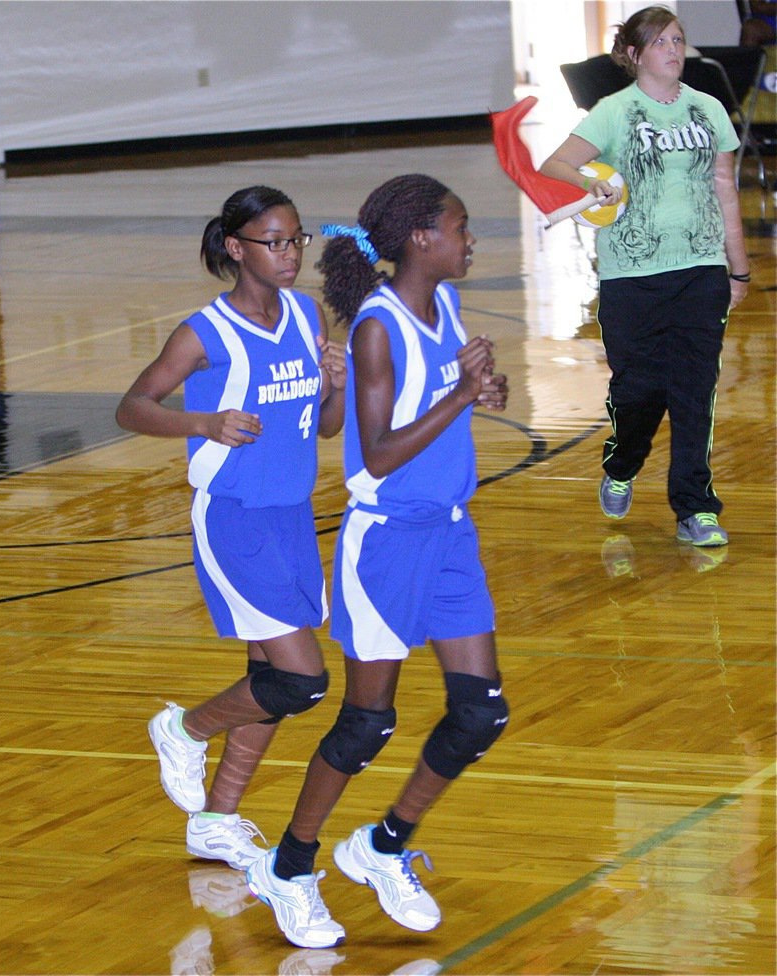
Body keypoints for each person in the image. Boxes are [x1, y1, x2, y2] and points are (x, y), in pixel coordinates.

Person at [246, 174, 510, 948]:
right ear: (422, 237)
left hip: (449, 534)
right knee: (367, 724)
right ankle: (290, 867)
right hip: (385, 542)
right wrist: (462, 395)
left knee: (480, 713)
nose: (471, 240)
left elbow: (446, 403)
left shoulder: (446, 307)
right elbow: (378, 458)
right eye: (462, 227)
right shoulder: (375, 330)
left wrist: (482, 390)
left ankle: (384, 846)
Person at [115, 186, 346, 932]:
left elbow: (328, 428)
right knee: (303, 681)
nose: (289, 254)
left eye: (297, 241)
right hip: (234, 520)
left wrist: (336, 384)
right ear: (237, 247)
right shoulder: (205, 332)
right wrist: (203, 421)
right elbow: (132, 405)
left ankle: (217, 819)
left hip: (289, 515)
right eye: (274, 242)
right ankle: (182, 729)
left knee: (270, 680)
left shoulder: (309, 317)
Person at [539, 6, 749, 548]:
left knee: (694, 390)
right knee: (638, 389)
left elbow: (725, 186)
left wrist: (738, 266)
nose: (674, 50)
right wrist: (595, 179)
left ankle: (696, 507)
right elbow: (555, 164)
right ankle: (622, 462)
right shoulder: (614, 112)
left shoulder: (708, 110)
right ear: (633, 55)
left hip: (700, 269)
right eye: (660, 42)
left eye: (678, 39)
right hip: (631, 276)